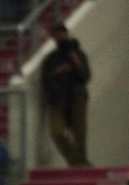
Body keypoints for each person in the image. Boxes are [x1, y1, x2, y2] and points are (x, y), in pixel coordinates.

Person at [43, 23, 91, 166]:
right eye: (56, 36)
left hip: (77, 95)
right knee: (56, 132)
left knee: (79, 133)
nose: (59, 38)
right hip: (58, 98)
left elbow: (85, 76)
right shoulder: (52, 58)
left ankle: (80, 164)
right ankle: (79, 163)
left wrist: (76, 62)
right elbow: (46, 79)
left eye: (61, 35)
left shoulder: (78, 54)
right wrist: (58, 72)